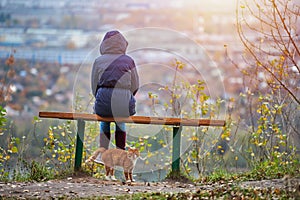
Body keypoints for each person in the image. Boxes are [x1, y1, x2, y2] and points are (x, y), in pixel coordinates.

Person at [91, 30, 139, 159]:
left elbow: (94, 85)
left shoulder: (98, 61)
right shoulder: (129, 61)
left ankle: (103, 155)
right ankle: (121, 154)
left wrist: (101, 97)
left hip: (103, 100)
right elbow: (135, 84)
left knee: (104, 121)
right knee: (121, 121)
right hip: (123, 102)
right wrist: (128, 96)